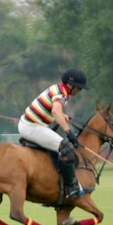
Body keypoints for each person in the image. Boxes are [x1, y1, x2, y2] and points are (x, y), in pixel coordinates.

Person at [17, 67, 89, 198]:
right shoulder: (61, 94)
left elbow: (55, 110)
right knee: (66, 147)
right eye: (79, 87)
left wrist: (63, 115)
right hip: (32, 126)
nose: (80, 90)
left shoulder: (59, 89)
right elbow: (56, 111)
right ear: (70, 85)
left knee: (60, 146)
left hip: (32, 125)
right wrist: (69, 132)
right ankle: (72, 187)